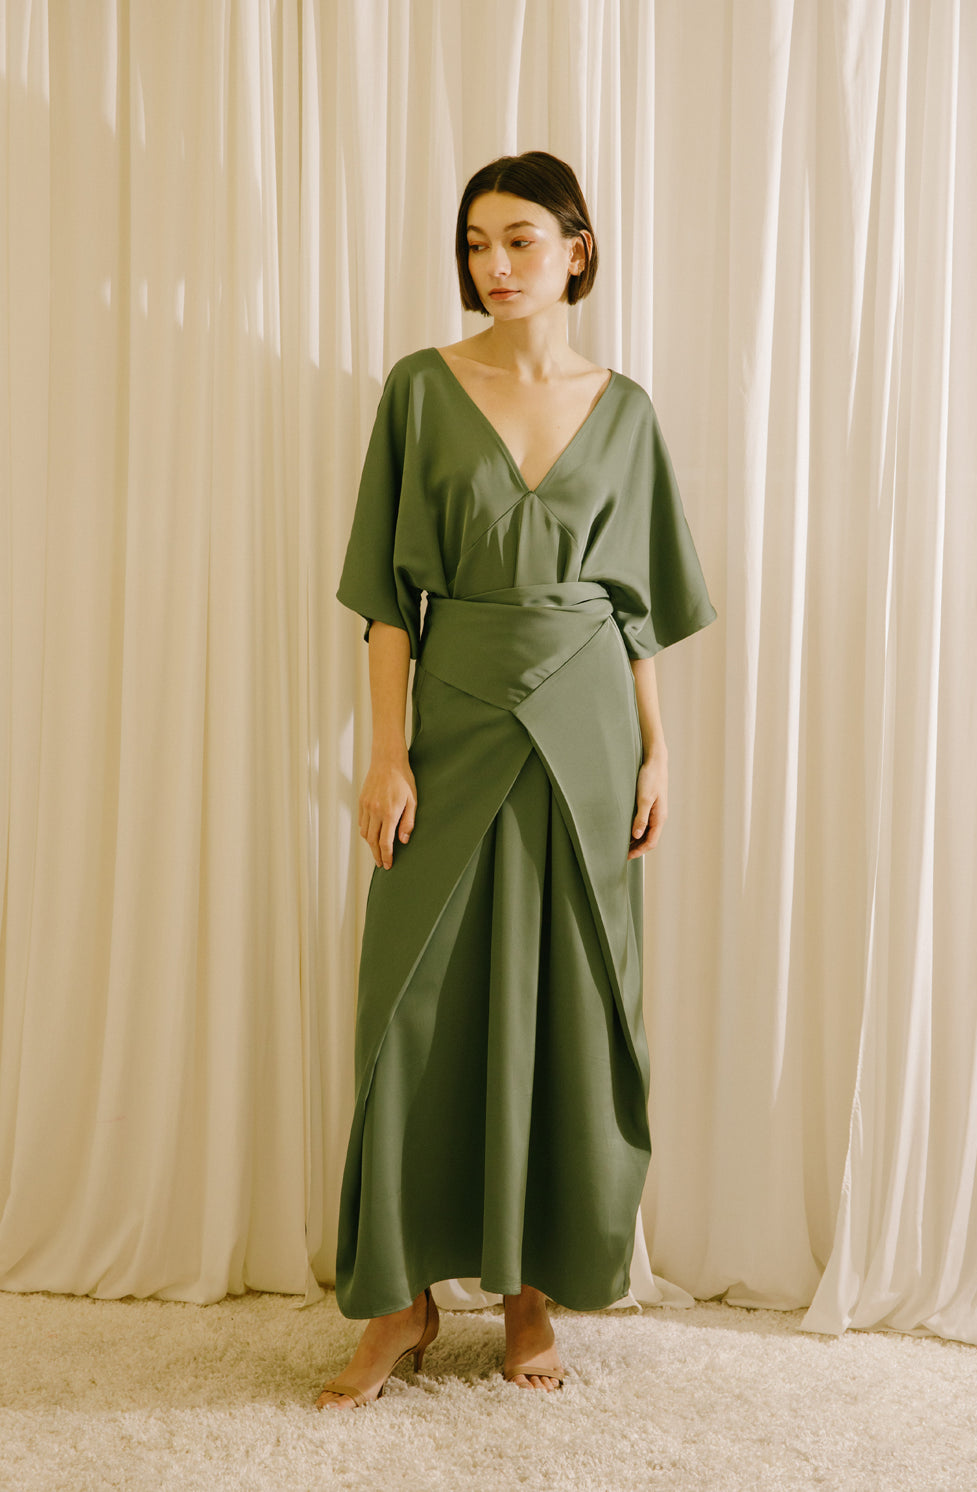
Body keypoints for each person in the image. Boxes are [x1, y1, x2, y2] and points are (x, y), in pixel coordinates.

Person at [317, 151, 716, 1410]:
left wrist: (657, 746)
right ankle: (399, 1300)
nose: (495, 264)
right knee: (411, 999)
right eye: (478, 242)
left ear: (577, 249)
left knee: (572, 993)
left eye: (522, 240)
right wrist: (385, 753)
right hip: (452, 717)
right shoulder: (421, 392)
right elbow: (390, 602)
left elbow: (637, 606)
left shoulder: (627, 407)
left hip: (591, 724)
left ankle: (536, 1292)